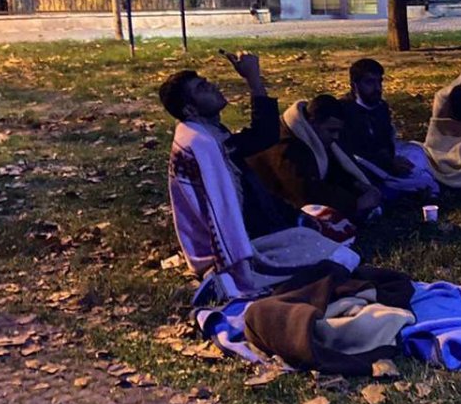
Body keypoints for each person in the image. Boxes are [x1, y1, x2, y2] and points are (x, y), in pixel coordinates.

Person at [161, 53, 359, 300]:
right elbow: (223, 214)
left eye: (206, 81)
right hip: (251, 239)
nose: (212, 85)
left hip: (265, 222)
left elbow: (262, 136)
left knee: (327, 224)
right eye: (202, 88)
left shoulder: (213, 136)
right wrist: (253, 79)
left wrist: (253, 80)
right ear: (190, 109)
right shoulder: (204, 145)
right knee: (342, 256)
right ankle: (226, 283)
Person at [249, 94, 383, 221]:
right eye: (331, 131)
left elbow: (332, 170)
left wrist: (357, 185)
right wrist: (355, 203)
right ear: (313, 122)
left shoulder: (311, 136)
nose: (335, 137)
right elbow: (306, 194)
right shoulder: (286, 147)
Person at [339, 59, 438, 198]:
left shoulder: (381, 107)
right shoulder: (344, 110)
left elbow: (386, 141)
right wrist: (388, 163)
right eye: (370, 82)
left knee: (417, 151)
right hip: (363, 165)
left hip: (387, 161)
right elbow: (351, 151)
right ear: (354, 85)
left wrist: (393, 159)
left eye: (379, 82)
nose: (377, 88)